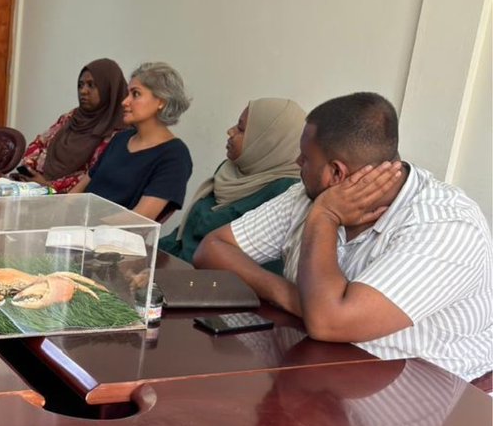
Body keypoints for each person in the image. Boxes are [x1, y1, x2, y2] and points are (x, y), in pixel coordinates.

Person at [194, 92, 492, 383]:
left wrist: (324, 218)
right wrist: (290, 295)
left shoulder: (445, 226)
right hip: (320, 369)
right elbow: (212, 249)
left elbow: (328, 323)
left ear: (336, 173)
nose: (297, 163)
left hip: (432, 401)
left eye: (305, 158)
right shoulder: (308, 194)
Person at [159, 98, 304, 268]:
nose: (230, 131)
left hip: (210, 285)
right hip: (175, 266)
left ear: (268, 141)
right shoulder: (229, 170)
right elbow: (186, 233)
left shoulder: (285, 192)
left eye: (241, 129)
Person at [70, 61, 193, 221]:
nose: (124, 102)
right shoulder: (121, 139)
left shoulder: (175, 155)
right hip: (77, 227)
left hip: (111, 240)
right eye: (128, 93)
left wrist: (87, 229)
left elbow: (140, 217)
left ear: (161, 101)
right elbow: (79, 189)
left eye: (135, 94)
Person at [17, 58, 127, 193]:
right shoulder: (72, 117)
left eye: (91, 85)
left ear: (108, 89)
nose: (83, 91)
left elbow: (93, 173)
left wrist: (48, 186)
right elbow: (40, 142)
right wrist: (28, 169)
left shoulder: (117, 132)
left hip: (73, 200)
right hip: (34, 187)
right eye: (80, 85)